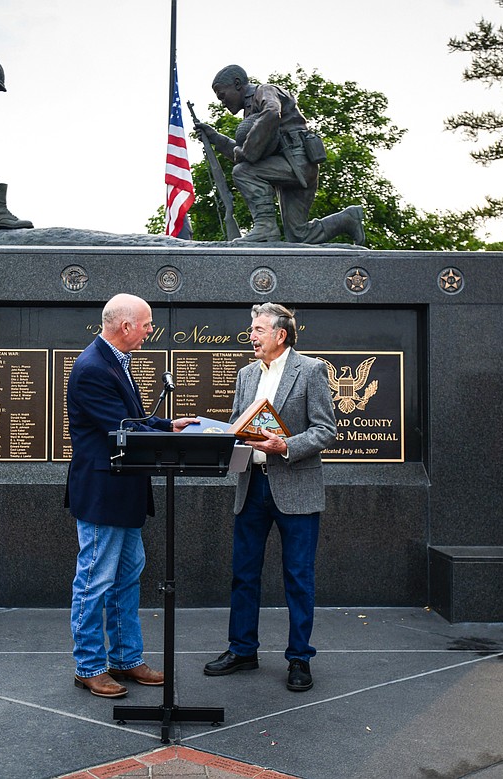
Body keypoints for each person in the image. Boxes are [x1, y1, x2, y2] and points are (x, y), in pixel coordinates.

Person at [65, 293, 197, 697]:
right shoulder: (92, 368)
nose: (150, 331)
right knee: (95, 579)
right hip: (104, 493)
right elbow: (119, 429)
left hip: (124, 491)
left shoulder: (113, 361)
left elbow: (131, 419)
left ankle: (125, 659)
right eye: (146, 324)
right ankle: (88, 666)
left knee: (126, 577)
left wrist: (167, 426)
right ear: (125, 327)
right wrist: (164, 435)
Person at [203, 303, 337, 691]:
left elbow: (326, 431)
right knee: (243, 574)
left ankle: (299, 659)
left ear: (281, 335)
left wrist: (286, 445)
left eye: (259, 329)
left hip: (296, 486)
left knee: (298, 577)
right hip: (251, 485)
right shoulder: (246, 374)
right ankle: (242, 650)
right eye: (252, 328)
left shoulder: (311, 370)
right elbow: (236, 422)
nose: (252, 335)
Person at [192, 64, 365, 246]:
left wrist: (246, 152)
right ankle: (347, 219)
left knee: (243, 171)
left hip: (297, 162)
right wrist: (216, 138)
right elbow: (245, 153)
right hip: (288, 166)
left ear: (237, 84)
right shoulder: (250, 112)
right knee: (299, 236)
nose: (223, 102)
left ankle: (265, 228)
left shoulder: (265, 91)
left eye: (222, 95)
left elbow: (272, 113)